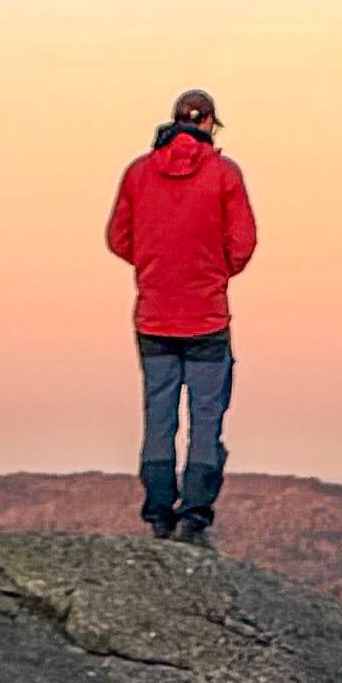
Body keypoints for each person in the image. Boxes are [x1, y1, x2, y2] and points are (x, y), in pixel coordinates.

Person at [103, 88, 258, 547]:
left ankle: (157, 515)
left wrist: (153, 265)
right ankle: (194, 516)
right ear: (210, 124)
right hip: (207, 315)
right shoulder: (224, 173)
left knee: (158, 417)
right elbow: (244, 242)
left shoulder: (138, 172)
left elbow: (117, 237)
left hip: (153, 316)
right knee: (206, 419)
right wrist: (214, 271)